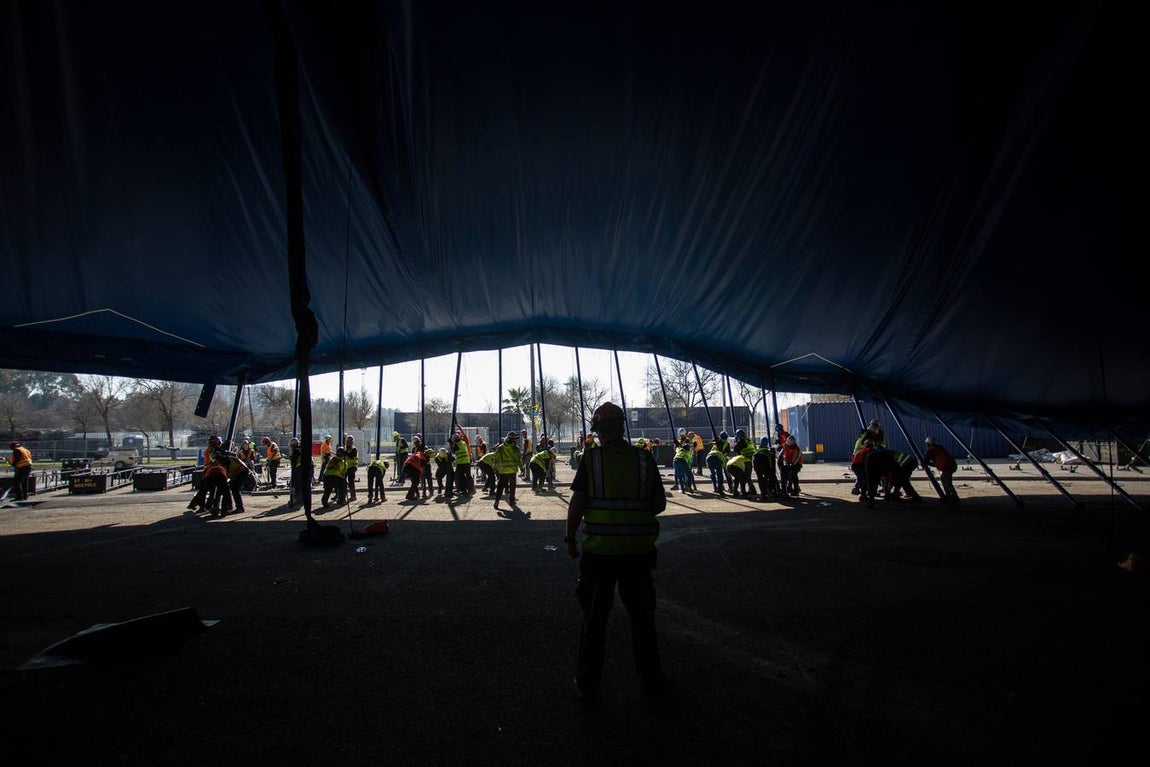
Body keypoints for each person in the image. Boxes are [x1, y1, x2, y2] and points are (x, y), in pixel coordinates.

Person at [564, 402, 667, 703]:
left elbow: (577, 503)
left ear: (598, 432)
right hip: (637, 552)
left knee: (594, 621)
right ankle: (651, 681)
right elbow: (659, 504)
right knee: (642, 620)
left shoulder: (592, 459)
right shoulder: (644, 459)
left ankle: (587, 684)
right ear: (622, 428)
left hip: (600, 555)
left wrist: (570, 539)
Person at [923, 437, 959, 503]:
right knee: (943, 480)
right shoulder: (938, 448)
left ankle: (955, 498)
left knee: (948, 483)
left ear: (928, 443)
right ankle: (948, 496)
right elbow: (938, 462)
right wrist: (929, 463)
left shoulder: (931, 450)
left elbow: (925, 461)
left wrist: (925, 463)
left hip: (948, 467)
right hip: (951, 465)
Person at [492, 431, 521, 511]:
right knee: (512, 487)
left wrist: (494, 467)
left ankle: (497, 501)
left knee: (500, 486)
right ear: (514, 439)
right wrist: (522, 468)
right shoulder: (516, 448)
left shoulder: (500, 447)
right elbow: (518, 460)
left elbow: (495, 457)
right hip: (512, 471)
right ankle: (511, 501)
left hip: (503, 471)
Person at [452, 430, 474, 498]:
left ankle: (462, 490)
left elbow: (453, 452)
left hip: (461, 463)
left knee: (458, 477)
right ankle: (470, 490)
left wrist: (451, 444)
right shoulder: (463, 442)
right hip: (466, 462)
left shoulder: (457, 445)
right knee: (467, 476)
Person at [288, 437, 305, 509]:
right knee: (301, 485)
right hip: (303, 469)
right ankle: (300, 500)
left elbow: (294, 462)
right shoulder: (301, 449)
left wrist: (291, 458)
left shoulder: (296, 451)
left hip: (298, 469)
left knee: (296, 485)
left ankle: (298, 501)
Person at [341, 435, 358, 501]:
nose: (349, 442)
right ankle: (343, 496)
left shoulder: (354, 449)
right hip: (345, 467)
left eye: (350, 441)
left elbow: (351, 456)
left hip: (352, 467)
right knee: (343, 481)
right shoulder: (344, 449)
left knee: (351, 481)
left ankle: (353, 496)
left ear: (352, 442)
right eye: (348, 441)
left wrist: (345, 453)